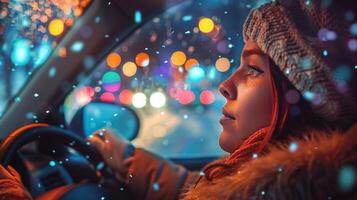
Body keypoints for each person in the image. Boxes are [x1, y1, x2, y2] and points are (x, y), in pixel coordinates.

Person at [0, 0, 356, 199]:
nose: (225, 86)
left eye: (254, 70)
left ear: (304, 101)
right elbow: (197, 189)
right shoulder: (273, 186)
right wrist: (127, 159)